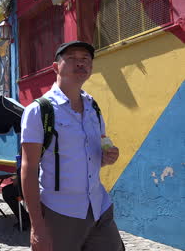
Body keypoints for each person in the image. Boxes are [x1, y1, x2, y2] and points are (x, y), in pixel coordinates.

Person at [20, 41, 123, 251]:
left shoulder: (94, 108)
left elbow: (91, 156)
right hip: (60, 212)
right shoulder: (39, 111)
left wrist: (107, 157)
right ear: (56, 67)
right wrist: (37, 226)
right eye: (72, 59)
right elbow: (28, 169)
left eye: (85, 59)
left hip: (99, 207)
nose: (80, 63)